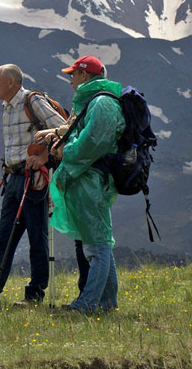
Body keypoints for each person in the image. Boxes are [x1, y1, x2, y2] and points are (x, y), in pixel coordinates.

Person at [0, 64, 66, 308]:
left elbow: (64, 128)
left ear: (11, 82)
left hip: (33, 179)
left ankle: (34, 295)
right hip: (13, 178)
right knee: (4, 237)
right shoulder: (7, 107)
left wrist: (43, 157)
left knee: (36, 235)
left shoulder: (31, 101)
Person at [35, 55, 125, 314]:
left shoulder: (102, 103)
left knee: (97, 245)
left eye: (72, 75)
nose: (70, 80)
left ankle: (86, 305)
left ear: (85, 75)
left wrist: (66, 153)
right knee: (99, 242)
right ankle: (107, 303)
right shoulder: (94, 102)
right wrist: (60, 136)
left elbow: (93, 142)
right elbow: (82, 132)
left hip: (92, 180)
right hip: (87, 179)